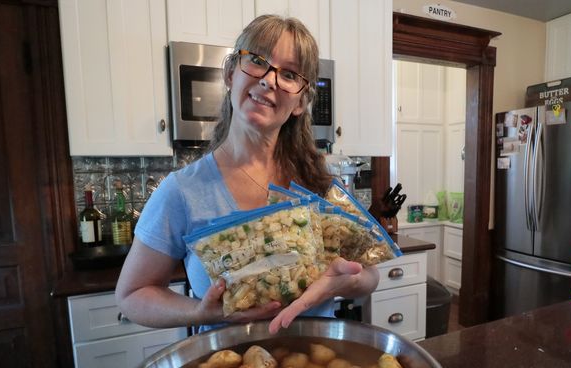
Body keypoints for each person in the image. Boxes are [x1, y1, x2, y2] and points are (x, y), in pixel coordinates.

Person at [115, 15, 379, 335]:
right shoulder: (183, 191)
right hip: (226, 367)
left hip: (314, 363)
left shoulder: (320, 184)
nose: (269, 80)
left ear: (299, 102)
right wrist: (201, 312)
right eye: (256, 61)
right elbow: (131, 296)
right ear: (230, 74)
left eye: (290, 73)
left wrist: (349, 280)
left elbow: (369, 276)